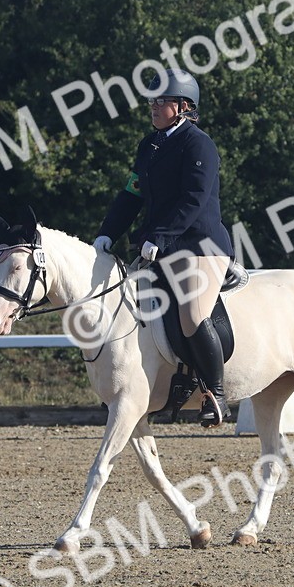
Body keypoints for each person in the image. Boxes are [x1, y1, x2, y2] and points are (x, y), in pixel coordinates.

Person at [93, 69, 233, 426]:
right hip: (160, 246)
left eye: (162, 101)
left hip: (200, 246)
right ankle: (166, 383)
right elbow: (132, 193)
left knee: (190, 314)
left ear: (184, 107)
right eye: (152, 101)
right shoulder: (150, 146)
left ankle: (214, 393)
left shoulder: (198, 143)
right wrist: (108, 231)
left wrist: (161, 235)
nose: (153, 107)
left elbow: (194, 199)